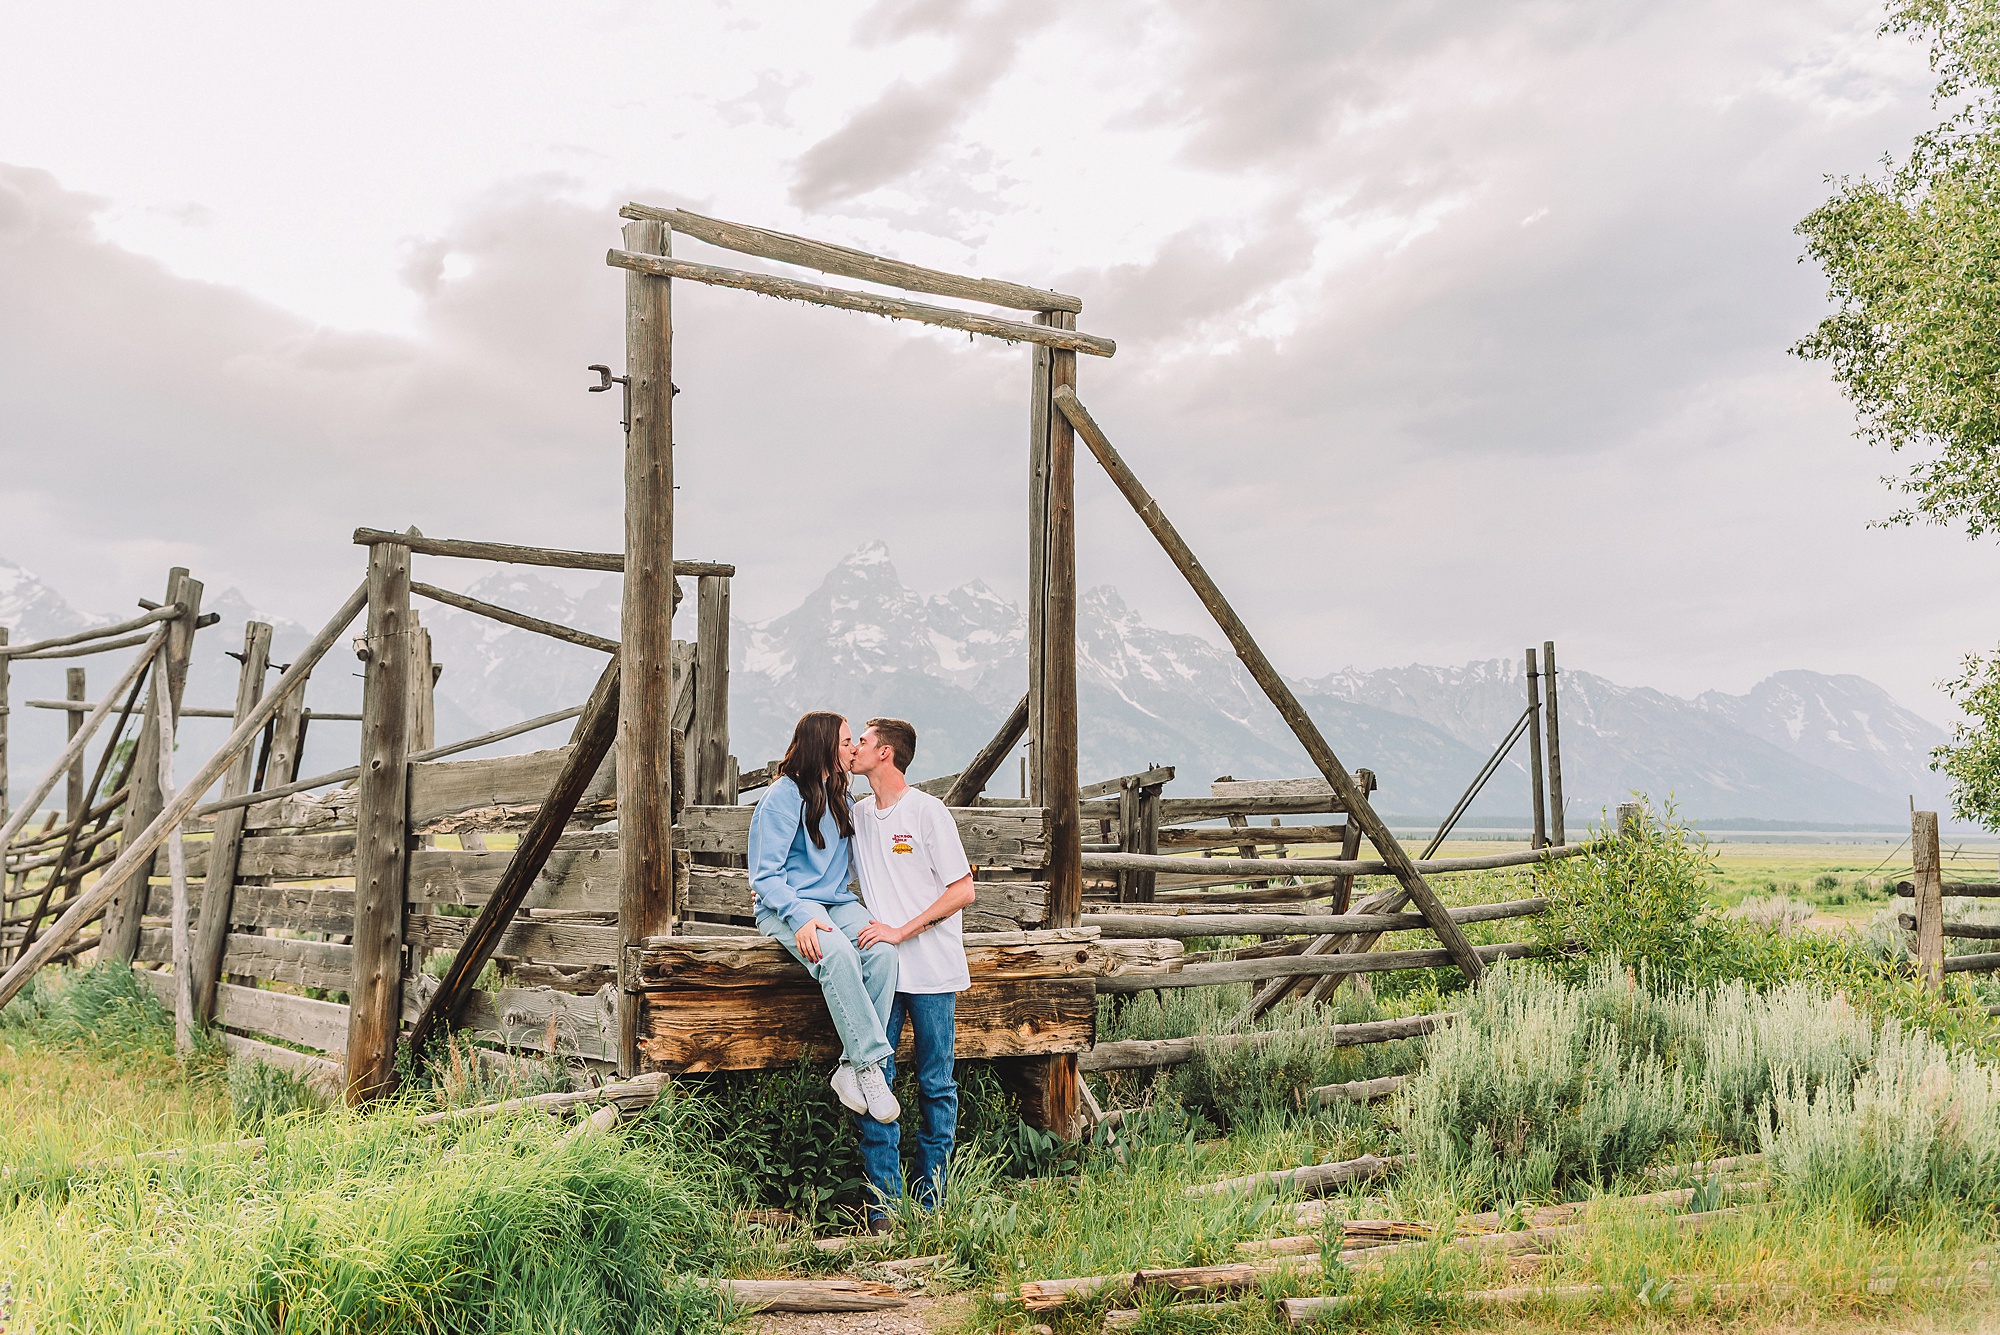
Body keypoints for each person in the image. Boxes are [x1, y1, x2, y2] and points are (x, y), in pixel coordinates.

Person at [848, 716, 977, 1218]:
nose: (855, 747)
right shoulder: (857, 816)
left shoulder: (928, 813)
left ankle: (932, 1203)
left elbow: (962, 889)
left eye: (863, 740)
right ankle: (885, 1208)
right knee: (875, 1080)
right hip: (883, 975)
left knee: (935, 1083)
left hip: (933, 972)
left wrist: (902, 930)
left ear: (886, 753)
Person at [748, 710, 901, 1125]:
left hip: (835, 903)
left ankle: (851, 1068)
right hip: (787, 906)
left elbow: (858, 863)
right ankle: (871, 1068)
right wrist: (798, 917)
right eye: (846, 741)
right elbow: (764, 876)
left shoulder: (841, 796)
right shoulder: (782, 796)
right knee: (835, 953)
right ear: (823, 746)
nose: (853, 748)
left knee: (883, 950)